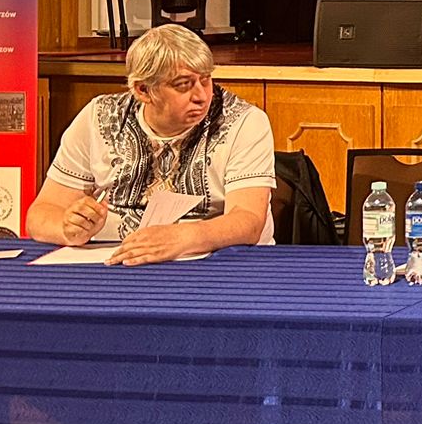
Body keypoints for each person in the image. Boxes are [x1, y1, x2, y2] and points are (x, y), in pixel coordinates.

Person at [28, 24, 276, 262]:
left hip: (214, 264)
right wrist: (67, 228)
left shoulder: (242, 120)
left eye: (205, 80)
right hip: (112, 261)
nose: (201, 96)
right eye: (183, 84)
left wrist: (183, 238)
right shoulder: (99, 117)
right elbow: (40, 215)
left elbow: (248, 220)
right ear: (143, 90)